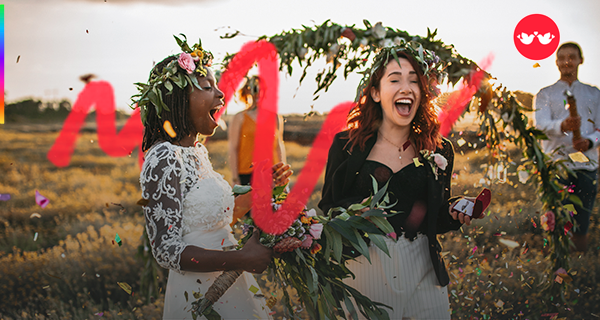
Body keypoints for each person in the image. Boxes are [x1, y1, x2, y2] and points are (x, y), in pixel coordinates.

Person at [319, 44, 481, 319]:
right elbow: (329, 207)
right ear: (375, 92)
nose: (406, 87)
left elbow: (436, 216)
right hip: (366, 263)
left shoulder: (440, 150)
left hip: (423, 265)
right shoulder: (347, 145)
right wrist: (362, 214)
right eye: (395, 79)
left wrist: (454, 210)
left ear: (424, 92)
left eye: (415, 80)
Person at [136, 35, 291, 319]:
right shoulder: (162, 158)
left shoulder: (197, 153)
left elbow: (221, 217)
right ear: (178, 99)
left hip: (229, 283)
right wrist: (241, 258)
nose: (220, 95)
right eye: (207, 87)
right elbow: (166, 250)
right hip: (198, 290)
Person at [534, 42, 600, 252]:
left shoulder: (594, 93)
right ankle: (557, 261)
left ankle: (579, 266)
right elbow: (540, 126)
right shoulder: (545, 94)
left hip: (585, 163)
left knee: (582, 216)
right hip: (557, 164)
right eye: (562, 58)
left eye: (572, 57)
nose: (567, 61)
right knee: (556, 217)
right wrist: (561, 125)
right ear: (556, 62)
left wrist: (589, 141)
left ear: (580, 60)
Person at [228, 75, 286, 186]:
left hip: (271, 173)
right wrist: (235, 178)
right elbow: (233, 148)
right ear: (248, 90)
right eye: (255, 89)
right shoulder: (239, 117)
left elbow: (278, 146)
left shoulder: (274, 117)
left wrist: (282, 173)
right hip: (246, 173)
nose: (258, 93)